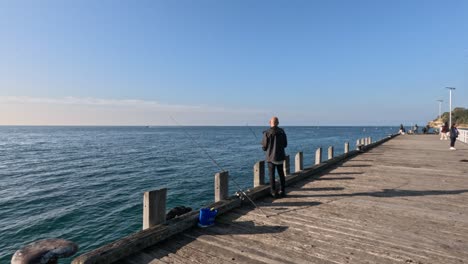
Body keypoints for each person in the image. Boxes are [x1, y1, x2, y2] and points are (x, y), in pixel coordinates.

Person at [262, 116, 288, 198]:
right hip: (280, 156)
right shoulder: (282, 132)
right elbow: (285, 144)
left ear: (270, 123)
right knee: (281, 174)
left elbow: (264, 147)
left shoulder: (267, 133)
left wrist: (264, 147)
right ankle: (282, 191)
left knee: (271, 175)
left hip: (271, 158)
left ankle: (273, 192)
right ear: (278, 123)